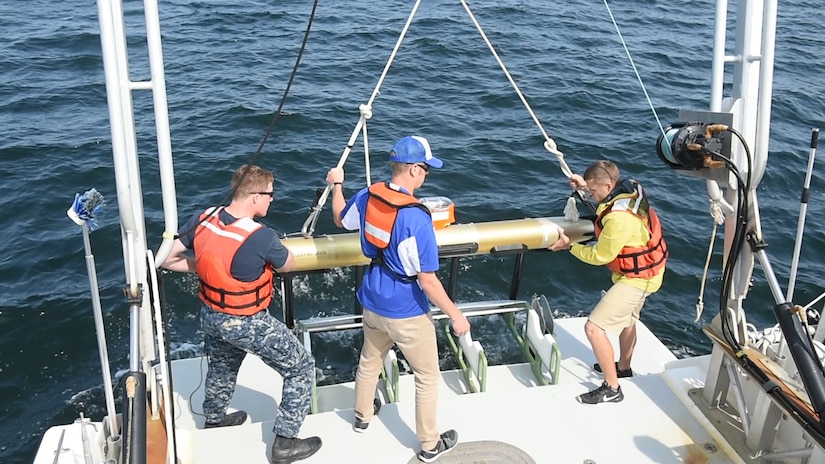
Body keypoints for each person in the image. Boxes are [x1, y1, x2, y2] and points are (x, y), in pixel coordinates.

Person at [161, 165, 322, 463]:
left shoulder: (204, 217)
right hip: (245, 319)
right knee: (300, 367)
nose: (273, 200)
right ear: (255, 197)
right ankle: (286, 442)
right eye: (270, 194)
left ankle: (214, 418)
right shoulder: (261, 236)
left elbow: (168, 258)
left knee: (222, 366)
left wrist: (208, 266)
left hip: (211, 313)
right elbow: (287, 265)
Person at [326, 135, 471, 462]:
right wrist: (455, 315)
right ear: (415, 170)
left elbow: (340, 219)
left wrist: (337, 186)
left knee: (369, 361)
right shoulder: (417, 216)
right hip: (405, 308)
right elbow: (428, 280)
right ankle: (430, 445)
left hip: (372, 296)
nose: (427, 175)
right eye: (426, 169)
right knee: (427, 377)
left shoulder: (368, 194)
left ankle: (362, 417)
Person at [549, 160, 667, 405]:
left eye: (592, 192)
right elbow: (605, 196)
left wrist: (569, 246)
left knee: (593, 328)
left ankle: (612, 387)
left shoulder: (618, 219)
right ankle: (623, 367)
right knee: (628, 320)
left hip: (636, 280)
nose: (590, 195)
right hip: (652, 273)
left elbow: (600, 256)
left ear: (608, 184)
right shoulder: (631, 187)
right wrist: (584, 186)